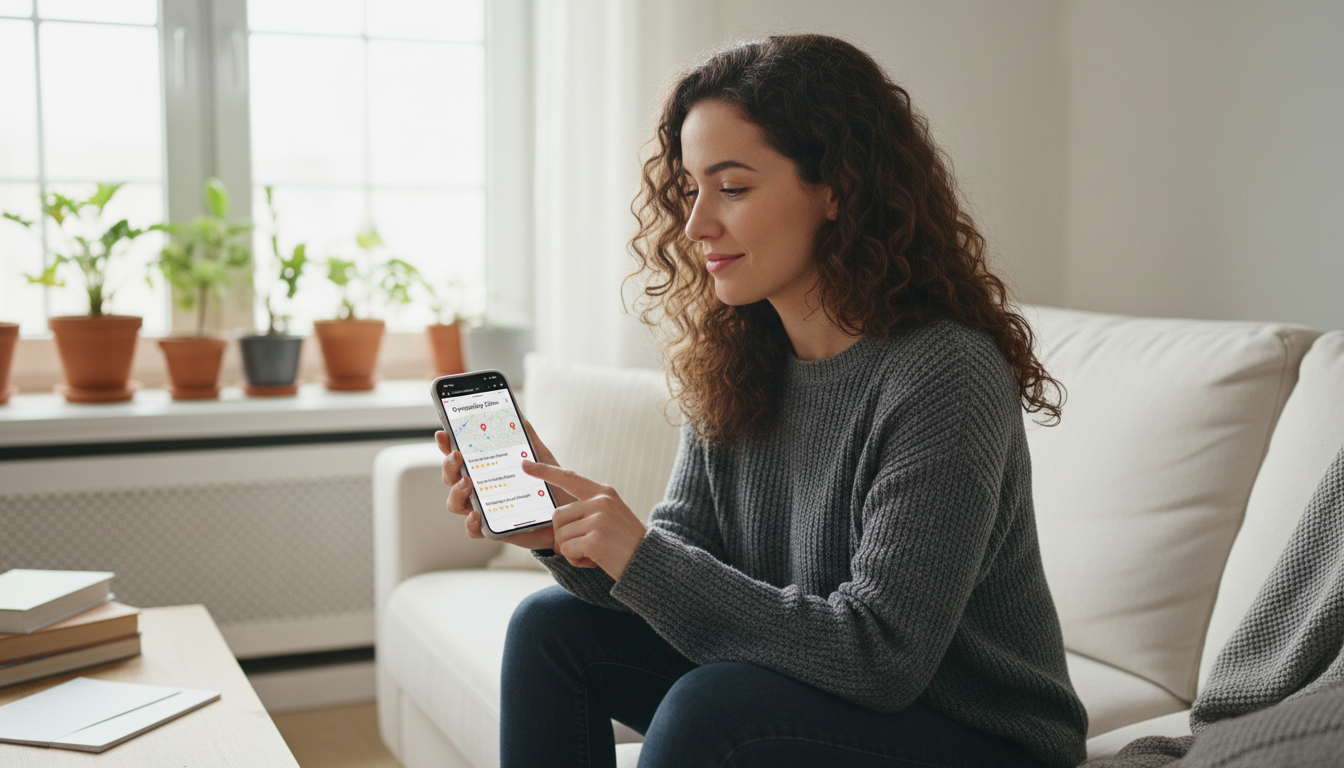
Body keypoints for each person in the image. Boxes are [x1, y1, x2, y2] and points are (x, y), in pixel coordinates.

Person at [436, 33, 1088, 768]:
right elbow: (682, 572)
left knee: (716, 709)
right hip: (828, 696)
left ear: (837, 188)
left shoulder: (943, 372)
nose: (696, 225)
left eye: (733, 187)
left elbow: (882, 658)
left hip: (981, 739)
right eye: (689, 189)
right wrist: (567, 537)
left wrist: (640, 555)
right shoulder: (741, 358)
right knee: (552, 629)